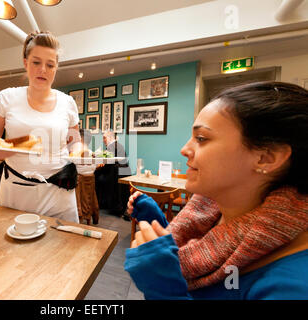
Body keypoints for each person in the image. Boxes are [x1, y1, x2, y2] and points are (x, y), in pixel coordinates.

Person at [124, 81, 308, 299]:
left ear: (266, 158)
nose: (184, 149)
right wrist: (157, 222)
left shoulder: (292, 284)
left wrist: (164, 290)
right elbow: (196, 251)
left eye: (201, 138)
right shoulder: (211, 209)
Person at [0, 31, 80, 223]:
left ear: (56, 67)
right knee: (15, 248)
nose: (43, 69)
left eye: (50, 65)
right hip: (17, 190)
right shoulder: (6, 98)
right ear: (25, 62)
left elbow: (75, 144)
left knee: (63, 246)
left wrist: (82, 155)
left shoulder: (68, 103)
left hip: (59, 193)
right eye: (36, 62)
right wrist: (1, 150)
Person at [94, 130, 131, 219]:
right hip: (123, 174)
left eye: (104, 138)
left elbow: (107, 166)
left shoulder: (111, 147)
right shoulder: (118, 145)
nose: (103, 140)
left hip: (114, 175)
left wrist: (97, 168)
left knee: (96, 176)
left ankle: (99, 204)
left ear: (110, 138)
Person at [73, 129, 99, 225]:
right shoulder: (93, 154)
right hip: (91, 179)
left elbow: (73, 166)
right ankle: (89, 218)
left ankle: (79, 216)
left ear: (80, 139)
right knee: (89, 197)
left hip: (80, 182)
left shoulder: (76, 154)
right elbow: (95, 167)